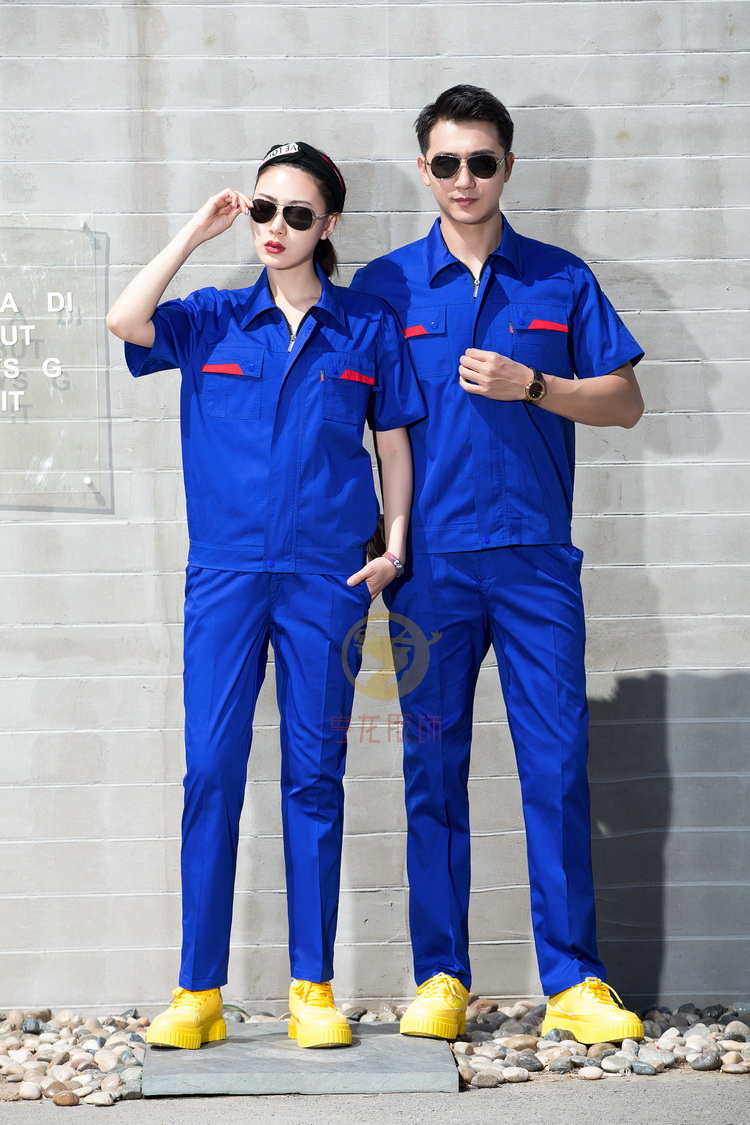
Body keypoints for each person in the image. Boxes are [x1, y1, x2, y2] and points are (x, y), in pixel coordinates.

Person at [107, 142, 425, 1050]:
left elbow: (392, 440)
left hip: (326, 580)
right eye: (261, 209)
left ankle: (311, 987)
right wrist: (193, 234)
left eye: (296, 213)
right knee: (211, 770)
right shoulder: (211, 318)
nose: (275, 227)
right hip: (226, 576)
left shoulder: (364, 325)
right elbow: (125, 319)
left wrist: (395, 545)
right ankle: (197, 990)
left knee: (314, 776)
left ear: (328, 225)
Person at [351, 86, 646, 1045]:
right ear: (424, 170)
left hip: (534, 568)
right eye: (447, 162)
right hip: (429, 571)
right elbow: (351, 417)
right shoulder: (386, 288)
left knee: (556, 766)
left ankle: (575, 980)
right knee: (432, 768)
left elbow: (625, 402)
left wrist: (537, 384)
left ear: (509, 167)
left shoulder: (560, 279)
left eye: (482, 161)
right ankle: (441, 975)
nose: (465, 178)